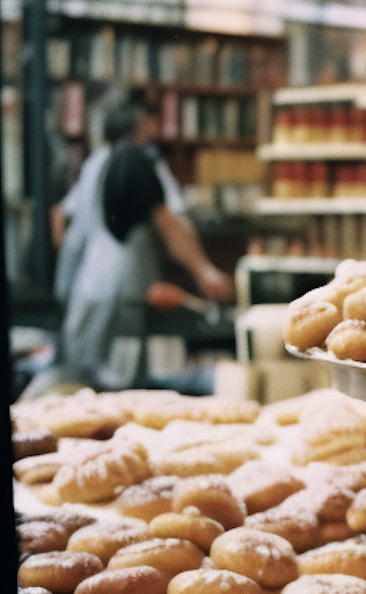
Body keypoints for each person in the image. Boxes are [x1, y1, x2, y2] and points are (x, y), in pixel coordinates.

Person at [49, 102, 234, 389]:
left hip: (87, 286)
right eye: (149, 122)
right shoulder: (141, 160)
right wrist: (204, 271)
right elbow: (170, 222)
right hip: (126, 286)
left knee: (80, 382)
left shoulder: (94, 162)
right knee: (122, 387)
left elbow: (60, 214)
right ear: (139, 128)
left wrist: (64, 275)